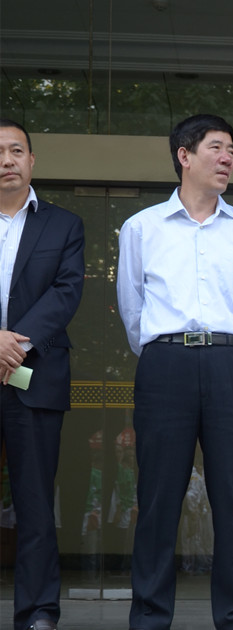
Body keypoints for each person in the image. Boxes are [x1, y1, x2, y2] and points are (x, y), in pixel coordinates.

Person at [117, 114, 233, 630]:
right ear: (184, 155)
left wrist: (221, 347)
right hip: (165, 365)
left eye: (232, 151)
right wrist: (167, 351)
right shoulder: (142, 228)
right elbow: (133, 309)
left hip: (228, 363)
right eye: (216, 148)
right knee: (158, 500)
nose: (227, 159)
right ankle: (149, 617)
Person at [0, 119, 85, 630]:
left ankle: (38, 612)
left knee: (34, 503)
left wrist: (13, 343)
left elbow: (66, 291)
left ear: (32, 160)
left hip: (33, 376)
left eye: (16, 150)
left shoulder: (64, 225)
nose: (6, 160)